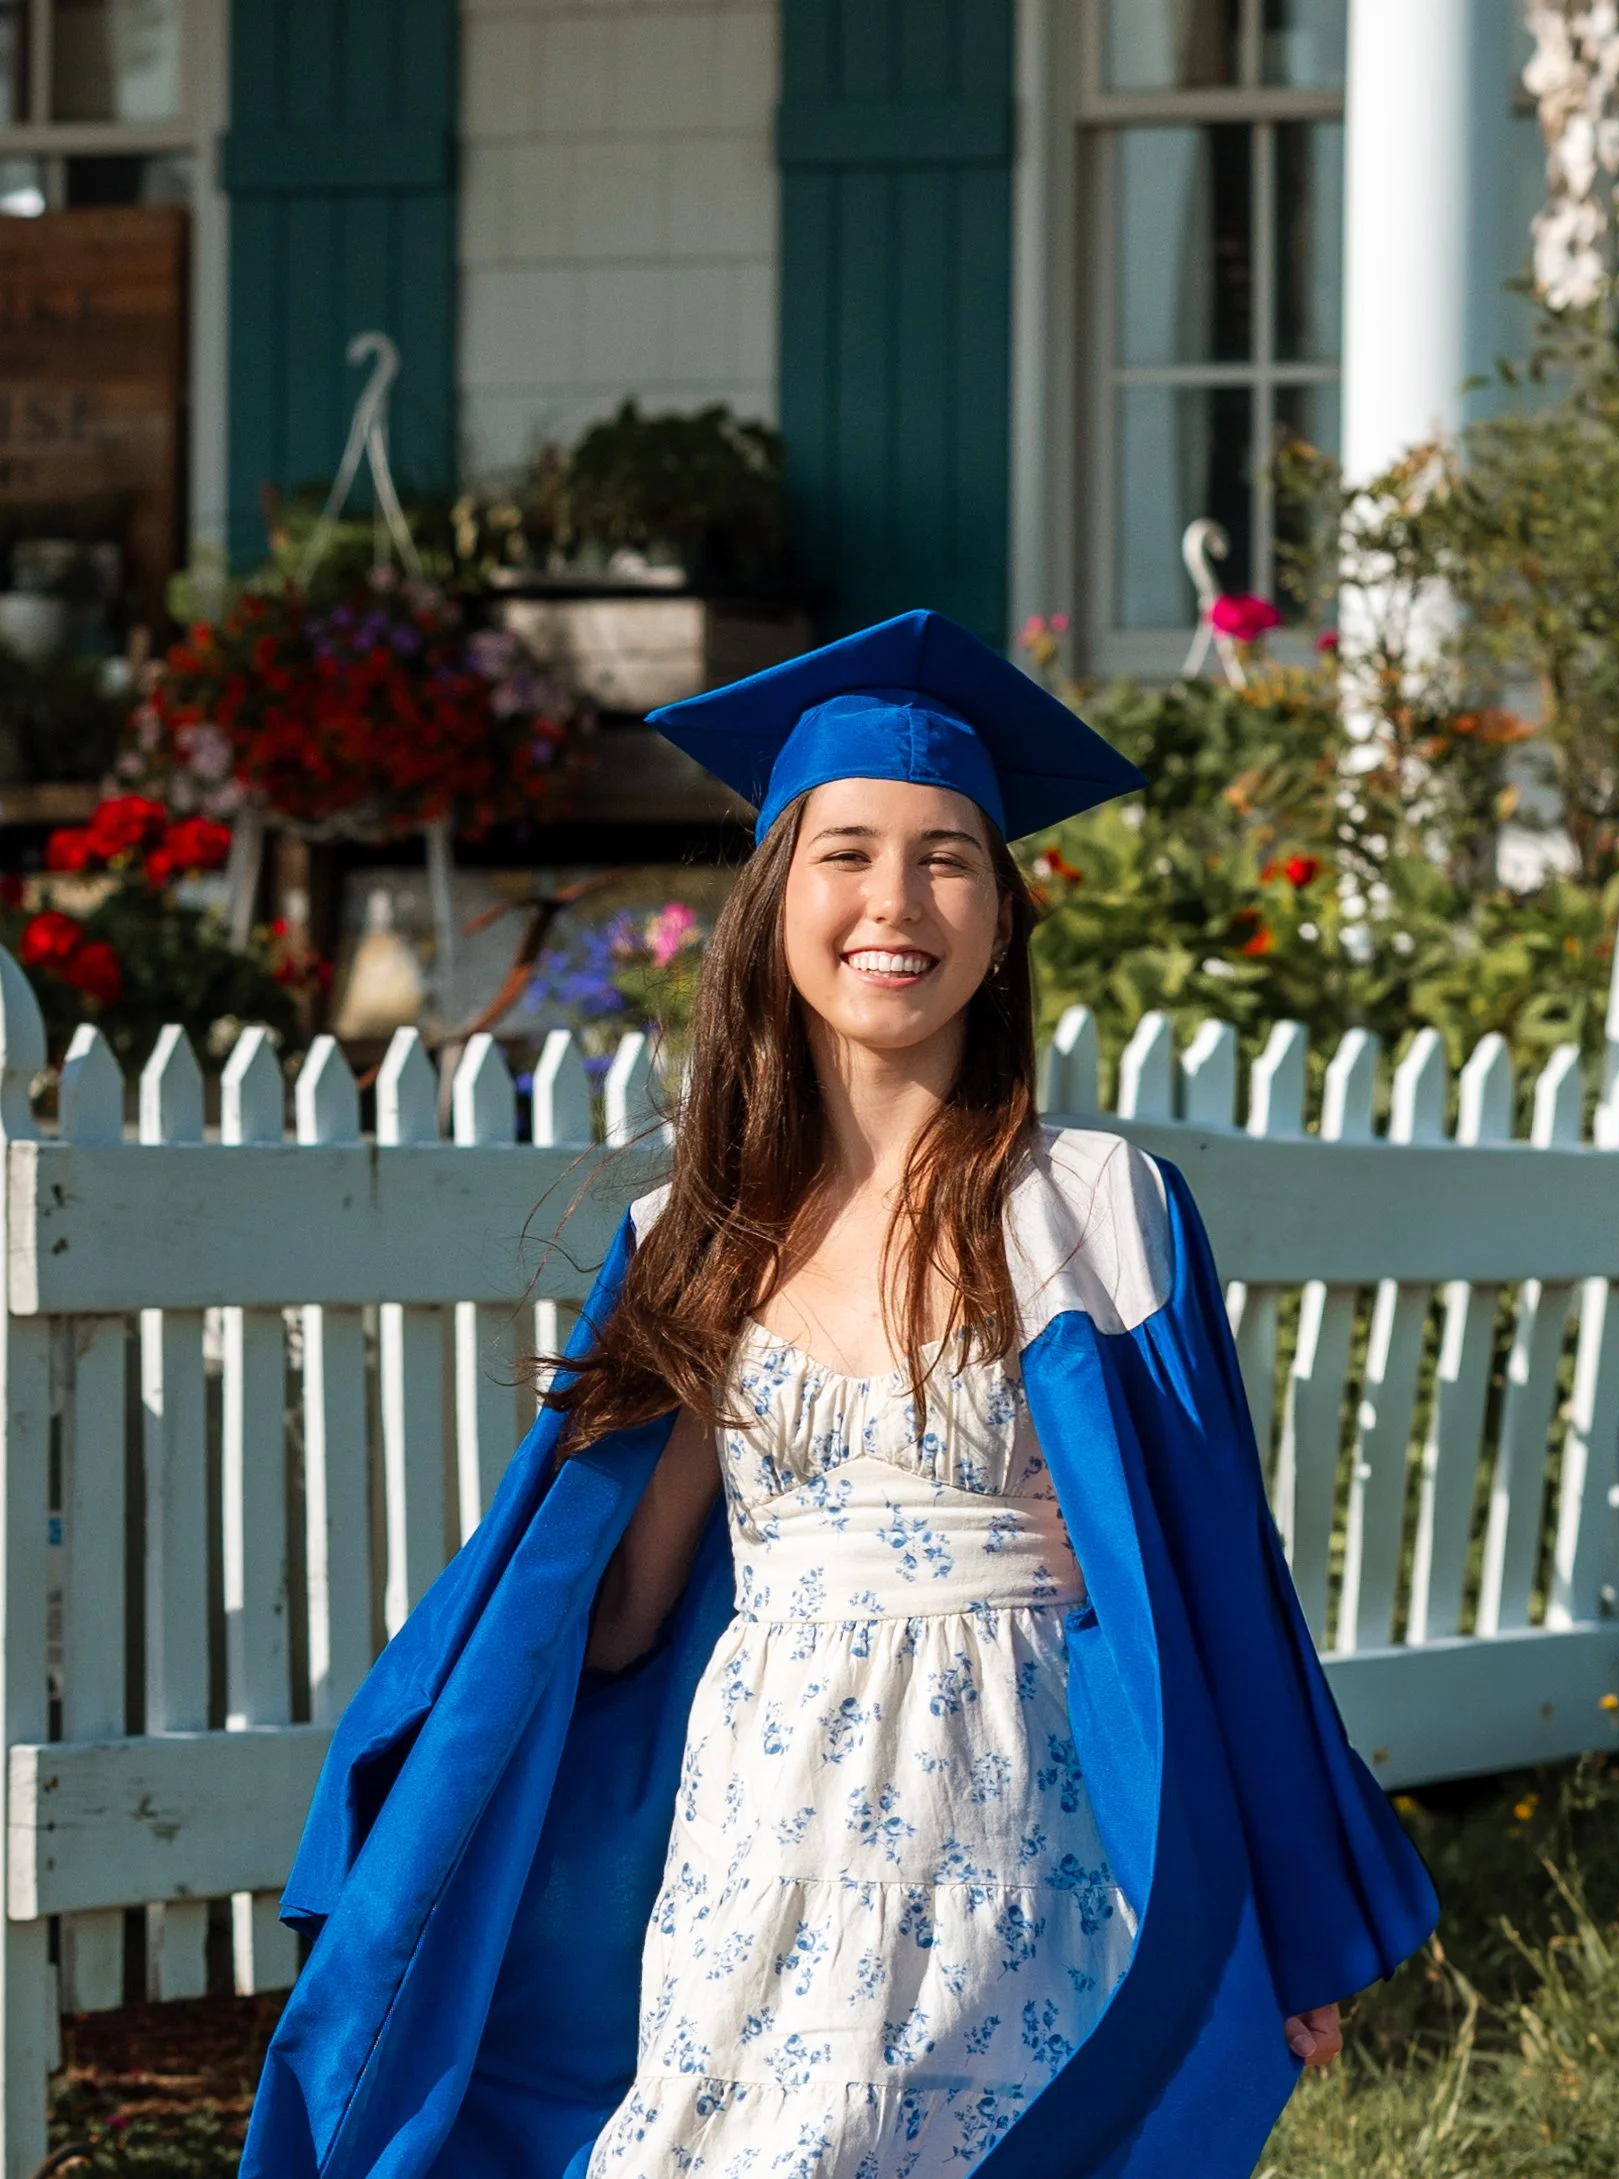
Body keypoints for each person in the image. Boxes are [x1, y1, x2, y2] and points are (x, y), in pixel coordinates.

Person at [240, 611, 1437, 2179]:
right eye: (847, 852)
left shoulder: (1089, 1207)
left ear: (1004, 916)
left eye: (949, 856)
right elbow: (620, 1612)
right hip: (770, 1818)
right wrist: (454, 1776)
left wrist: (1286, 1900)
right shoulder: (691, 1233)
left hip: (1020, 1808)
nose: (896, 901)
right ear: (774, 902)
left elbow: (1212, 1574)